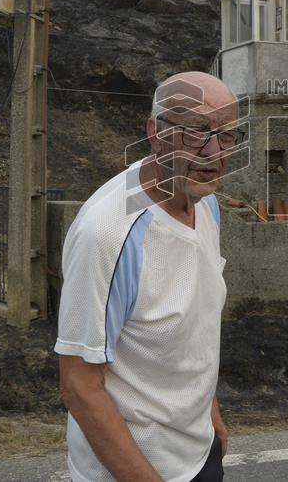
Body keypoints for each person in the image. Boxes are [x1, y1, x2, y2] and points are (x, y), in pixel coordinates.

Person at [54, 72, 241, 481]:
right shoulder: (107, 235)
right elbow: (79, 388)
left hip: (197, 453)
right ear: (155, 132)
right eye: (196, 133)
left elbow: (195, 324)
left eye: (227, 136)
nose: (214, 153)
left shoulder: (206, 206)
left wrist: (211, 419)